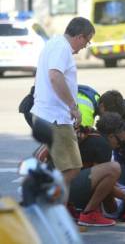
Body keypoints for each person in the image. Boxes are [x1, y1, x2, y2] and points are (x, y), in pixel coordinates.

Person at [30, 17, 95, 197]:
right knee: (72, 168)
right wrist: (73, 107)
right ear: (80, 37)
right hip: (55, 118)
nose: (85, 46)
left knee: (59, 167)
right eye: (87, 41)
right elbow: (54, 76)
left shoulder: (54, 43)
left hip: (46, 114)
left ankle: (57, 212)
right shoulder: (62, 48)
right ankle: (43, 199)